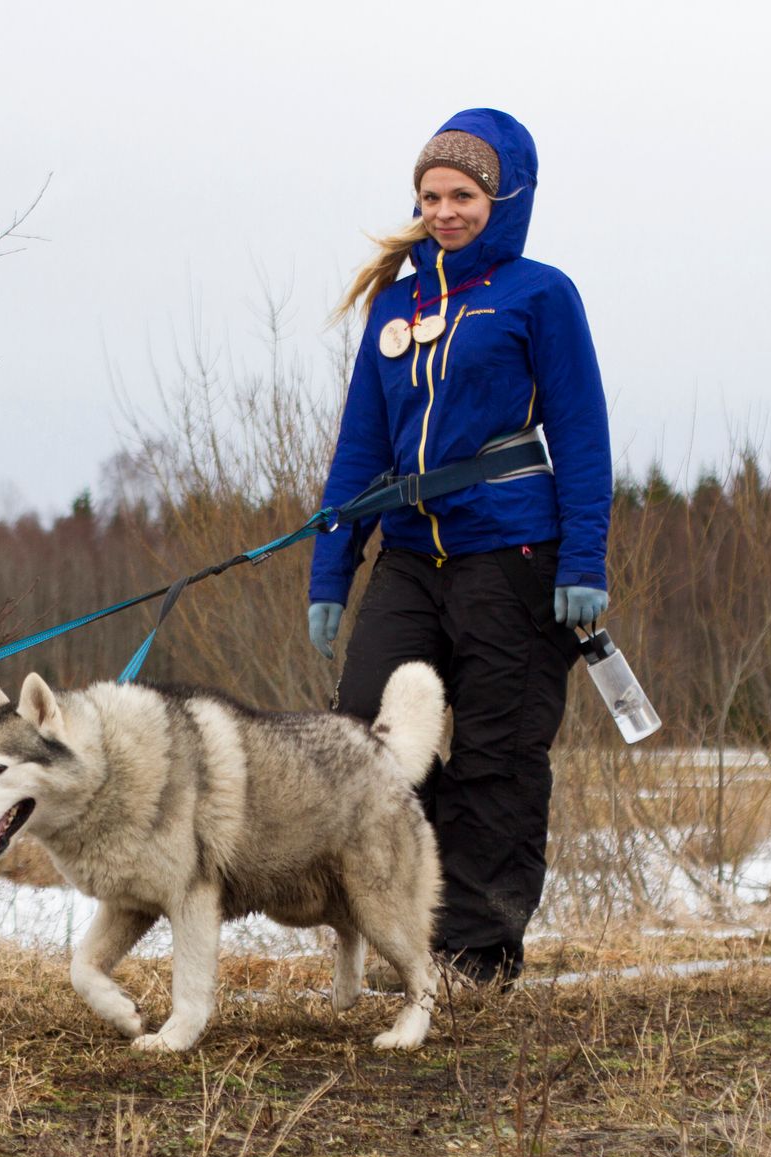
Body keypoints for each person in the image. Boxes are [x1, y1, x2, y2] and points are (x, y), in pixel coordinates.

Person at [306, 108, 611, 987]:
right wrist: (334, 568)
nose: (444, 210)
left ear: (504, 197)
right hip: (408, 559)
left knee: (495, 756)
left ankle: (476, 954)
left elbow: (582, 439)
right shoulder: (396, 304)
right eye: (431, 195)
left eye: (463, 195)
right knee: (365, 744)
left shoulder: (539, 295)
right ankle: (401, 931)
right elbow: (359, 448)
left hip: (512, 557)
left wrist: (584, 562)